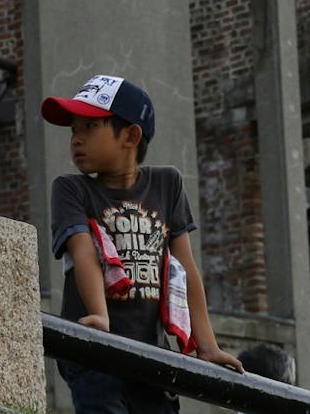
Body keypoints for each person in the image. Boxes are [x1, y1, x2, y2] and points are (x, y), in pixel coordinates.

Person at [42, 73, 244, 413]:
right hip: (96, 352)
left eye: (89, 127)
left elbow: (184, 268)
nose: (76, 139)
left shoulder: (167, 184)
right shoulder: (71, 189)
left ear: (131, 135)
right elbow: (83, 251)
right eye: (73, 129)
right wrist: (98, 317)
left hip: (151, 352)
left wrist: (207, 345)